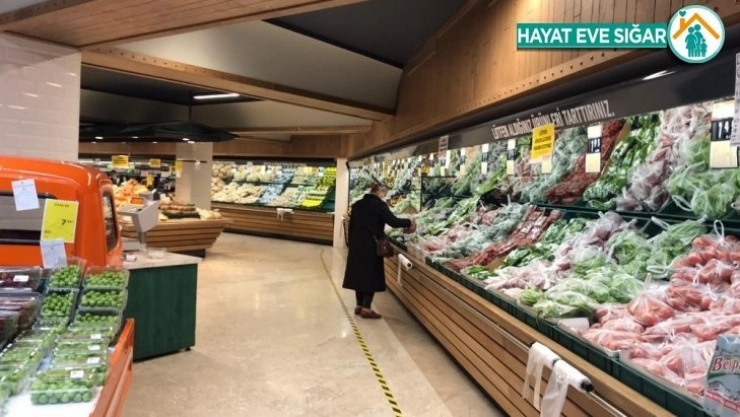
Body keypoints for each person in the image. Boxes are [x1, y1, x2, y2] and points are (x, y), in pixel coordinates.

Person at [343, 183, 416, 319]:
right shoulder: (379, 205)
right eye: (384, 193)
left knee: (359, 275)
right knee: (370, 275)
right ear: (380, 192)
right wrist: (409, 222)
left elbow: (351, 226)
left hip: (357, 245)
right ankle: (366, 308)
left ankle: (359, 305)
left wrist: (351, 244)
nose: (384, 196)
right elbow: (393, 221)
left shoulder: (357, 205)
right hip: (371, 246)